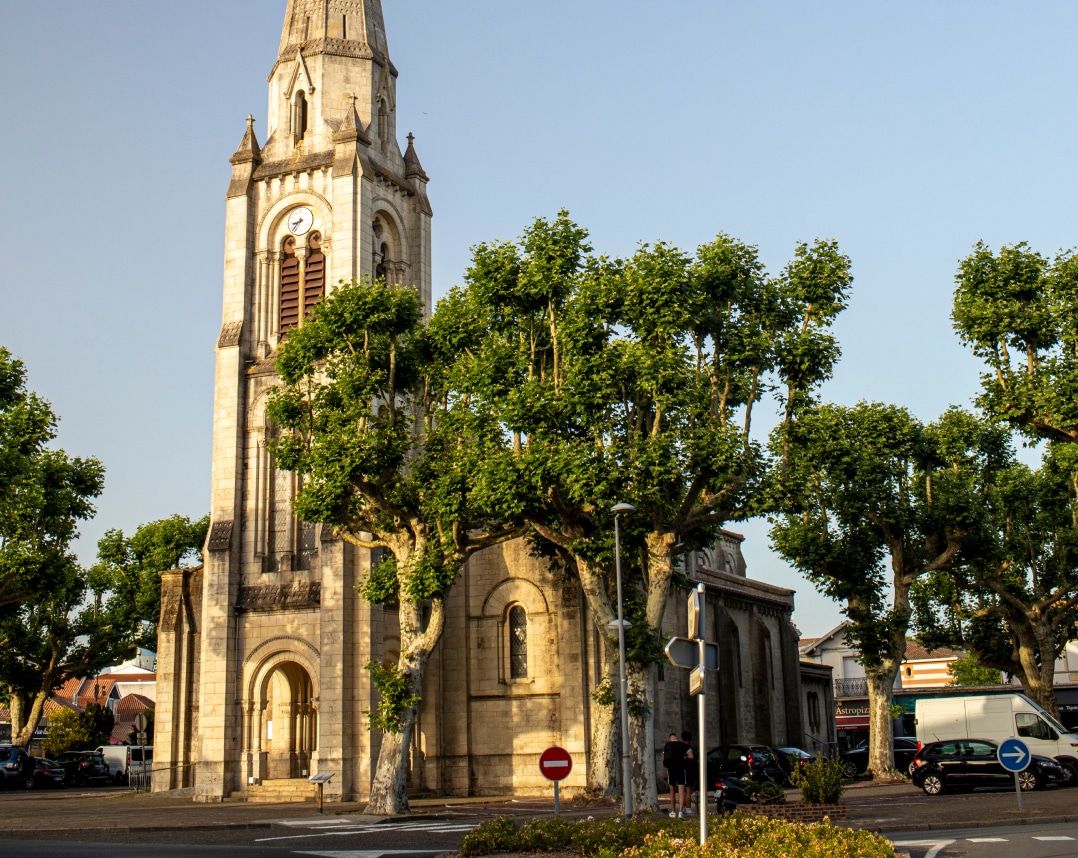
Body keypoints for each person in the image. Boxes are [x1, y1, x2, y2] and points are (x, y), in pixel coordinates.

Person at [661, 732, 687, 817]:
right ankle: (680, 812)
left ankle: (673, 811)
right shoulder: (682, 745)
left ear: (670, 739)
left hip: (671, 769)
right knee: (681, 791)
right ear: (676, 738)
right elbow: (689, 755)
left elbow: (663, 758)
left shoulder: (667, 745)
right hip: (681, 769)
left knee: (672, 790)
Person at [680, 730, 696, 816]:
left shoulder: (681, 746)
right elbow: (691, 756)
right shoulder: (687, 747)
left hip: (684, 769)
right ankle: (688, 808)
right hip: (688, 770)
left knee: (686, 790)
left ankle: (683, 807)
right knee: (688, 789)